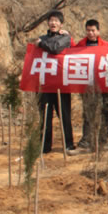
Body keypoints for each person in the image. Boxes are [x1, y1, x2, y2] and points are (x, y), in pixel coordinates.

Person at [74, 19, 108, 152]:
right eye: (88, 30)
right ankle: (86, 142)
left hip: (104, 84)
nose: (91, 33)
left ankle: (103, 141)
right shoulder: (80, 45)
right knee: (88, 112)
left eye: (93, 30)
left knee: (105, 111)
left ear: (98, 31)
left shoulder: (106, 45)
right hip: (87, 84)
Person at [35, 10, 74, 154]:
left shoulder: (65, 38)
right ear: (48, 23)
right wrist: (41, 43)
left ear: (61, 24)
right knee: (45, 117)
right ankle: (45, 146)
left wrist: (41, 44)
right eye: (51, 20)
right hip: (44, 84)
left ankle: (68, 144)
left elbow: (55, 48)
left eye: (56, 21)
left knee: (64, 115)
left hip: (61, 84)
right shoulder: (42, 38)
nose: (53, 23)